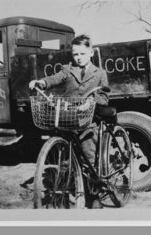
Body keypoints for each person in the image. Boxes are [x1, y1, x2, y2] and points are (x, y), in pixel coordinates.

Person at [29, 34, 109, 208]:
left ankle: (94, 194)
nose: (78, 57)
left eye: (82, 53)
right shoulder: (68, 69)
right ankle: (64, 188)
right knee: (64, 158)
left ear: (91, 53)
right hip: (68, 118)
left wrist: (91, 101)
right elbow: (54, 78)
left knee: (89, 156)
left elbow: (104, 96)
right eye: (75, 54)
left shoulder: (100, 73)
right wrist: (41, 82)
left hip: (88, 121)